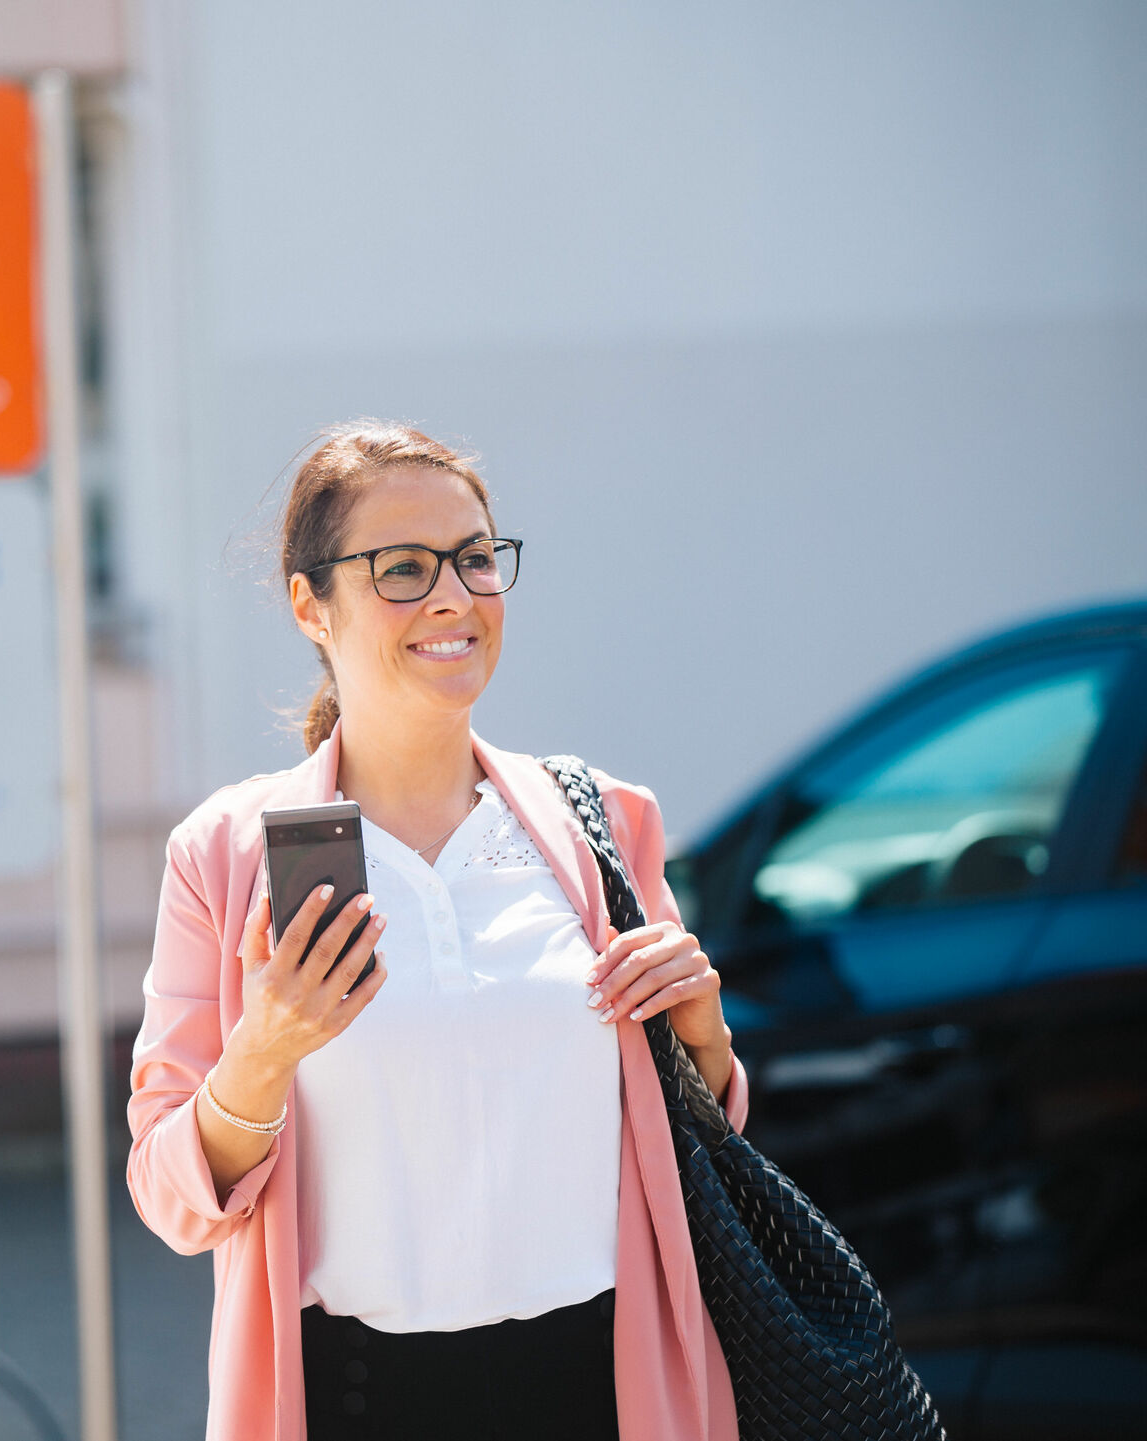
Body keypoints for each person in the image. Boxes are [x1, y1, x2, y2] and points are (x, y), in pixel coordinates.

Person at [126, 423, 750, 1441]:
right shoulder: (228, 855)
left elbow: (701, 1138)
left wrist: (707, 1039)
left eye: (473, 557)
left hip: (602, 1388)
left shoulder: (603, 823)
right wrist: (265, 1052)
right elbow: (172, 1196)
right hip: (355, 1399)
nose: (455, 596)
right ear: (308, 603)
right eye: (404, 569)